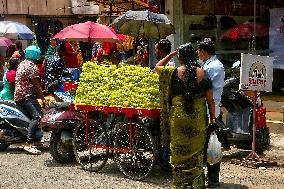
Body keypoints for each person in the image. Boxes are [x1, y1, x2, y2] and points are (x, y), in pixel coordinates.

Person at [155, 43, 216, 188]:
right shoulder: (203, 73)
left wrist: (171, 55)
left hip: (178, 118)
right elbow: (210, 101)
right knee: (196, 154)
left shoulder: (172, 73)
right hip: (197, 120)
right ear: (194, 56)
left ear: (180, 57)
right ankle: (196, 184)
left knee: (178, 152)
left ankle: (180, 184)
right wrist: (213, 119)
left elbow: (157, 67)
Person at [197, 38, 225, 188]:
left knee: (210, 146)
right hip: (212, 111)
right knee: (210, 146)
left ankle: (213, 180)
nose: (198, 54)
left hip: (210, 113)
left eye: (199, 51)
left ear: (203, 52)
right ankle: (211, 178)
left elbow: (204, 87)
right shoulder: (211, 64)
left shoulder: (211, 67)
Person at [14, 45, 45, 155]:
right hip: (26, 96)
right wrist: (43, 98)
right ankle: (29, 144)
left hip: (19, 95)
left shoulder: (22, 63)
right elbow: (36, 85)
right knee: (37, 116)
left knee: (35, 114)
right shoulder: (32, 66)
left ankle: (36, 139)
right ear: (35, 54)